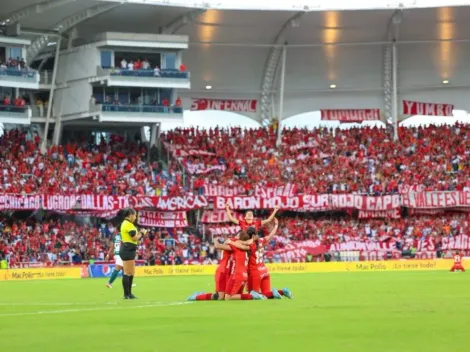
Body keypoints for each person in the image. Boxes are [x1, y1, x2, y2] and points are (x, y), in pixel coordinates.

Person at [247, 219, 293, 299]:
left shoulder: (249, 245)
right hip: (264, 270)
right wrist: (276, 226)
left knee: (253, 295)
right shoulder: (261, 241)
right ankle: (283, 291)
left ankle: (279, 292)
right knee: (267, 294)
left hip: (255, 272)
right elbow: (270, 236)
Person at [120, 208, 147, 299]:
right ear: (130, 215)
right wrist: (142, 233)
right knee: (127, 272)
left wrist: (139, 233)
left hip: (128, 249)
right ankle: (127, 294)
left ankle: (129, 294)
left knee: (131, 272)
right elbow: (135, 238)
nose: (135, 217)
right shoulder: (128, 225)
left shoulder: (126, 224)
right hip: (127, 249)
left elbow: (133, 237)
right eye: (135, 215)